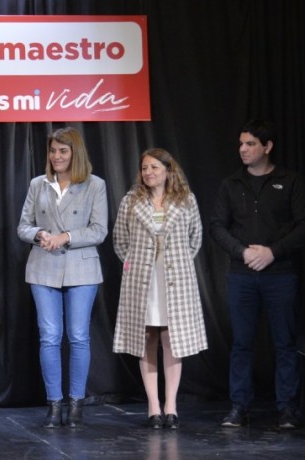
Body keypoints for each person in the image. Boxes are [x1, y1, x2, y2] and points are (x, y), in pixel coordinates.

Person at [210, 120, 305, 429]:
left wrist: (272, 252)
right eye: (241, 144)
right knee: (241, 343)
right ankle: (239, 406)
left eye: (250, 144)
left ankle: (287, 408)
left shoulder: (290, 181)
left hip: (281, 273)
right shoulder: (230, 183)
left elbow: (303, 225)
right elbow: (217, 226)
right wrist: (243, 252)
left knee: (285, 343)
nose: (243, 149)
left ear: (267, 146)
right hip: (241, 274)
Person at [17, 126, 108, 428]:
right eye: (53, 150)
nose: (56, 156)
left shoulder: (95, 185)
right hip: (43, 267)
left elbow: (99, 230)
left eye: (63, 151)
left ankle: (76, 403)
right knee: (50, 337)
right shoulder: (38, 184)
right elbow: (23, 226)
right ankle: (54, 404)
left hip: (82, 268)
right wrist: (40, 234)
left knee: (79, 336)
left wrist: (65, 236)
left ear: (75, 153)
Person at [112, 148, 207, 429]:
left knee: (172, 340)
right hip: (142, 280)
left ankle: (171, 406)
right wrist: (135, 263)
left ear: (168, 170)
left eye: (154, 167)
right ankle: (153, 407)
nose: (149, 173)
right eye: (145, 168)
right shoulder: (131, 201)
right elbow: (120, 241)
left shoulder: (186, 199)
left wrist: (175, 264)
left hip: (175, 281)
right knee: (146, 339)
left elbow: (195, 239)